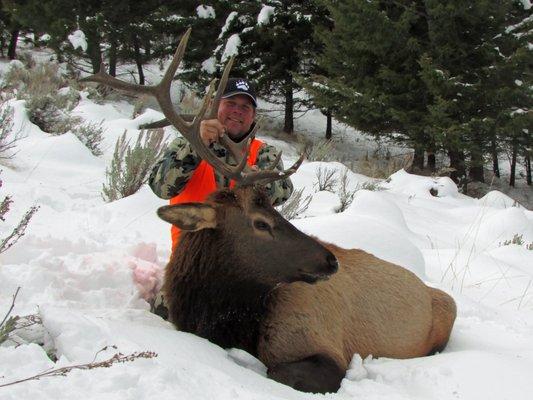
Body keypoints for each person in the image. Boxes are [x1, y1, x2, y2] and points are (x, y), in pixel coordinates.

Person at [148, 78, 294, 250]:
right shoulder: (184, 145)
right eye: (231, 103)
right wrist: (197, 145)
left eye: (245, 107)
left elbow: (283, 189)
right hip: (192, 259)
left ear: (253, 115)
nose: (237, 111)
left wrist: (258, 186)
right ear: (213, 105)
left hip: (244, 261)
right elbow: (162, 187)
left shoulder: (264, 152)